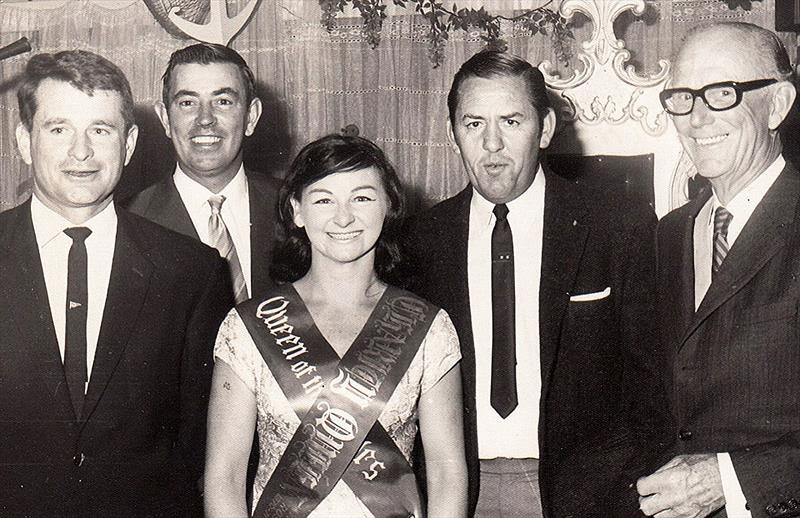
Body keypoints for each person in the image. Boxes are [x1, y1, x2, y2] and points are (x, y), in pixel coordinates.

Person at [407, 50, 671, 517]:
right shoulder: (419, 241)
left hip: (586, 496)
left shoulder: (617, 226)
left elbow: (652, 386)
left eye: (511, 121)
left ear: (545, 129)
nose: (492, 144)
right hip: (456, 491)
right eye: (473, 124)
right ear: (452, 134)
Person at [0, 50, 233, 515]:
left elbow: (200, 442)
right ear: (24, 141)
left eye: (100, 131)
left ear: (128, 145)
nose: (81, 152)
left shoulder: (193, 272)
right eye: (59, 129)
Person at [204, 134, 468, 518]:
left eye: (361, 197)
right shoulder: (248, 327)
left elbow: (447, 475)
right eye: (324, 199)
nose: (343, 217)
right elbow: (224, 478)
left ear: (389, 206)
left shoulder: (429, 328)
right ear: (297, 210)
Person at [637, 22, 800, 518]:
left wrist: (727, 480)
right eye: (683, 97)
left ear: (776, 104)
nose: (697, 118)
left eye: (722, 93)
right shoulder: (668, 235)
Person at [127, 43, 280, 302]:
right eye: (187, 103)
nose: (205, 118)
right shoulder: (128, 222)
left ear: (251, 117)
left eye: (223, 101)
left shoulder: (294, 208)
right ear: (165, 118)